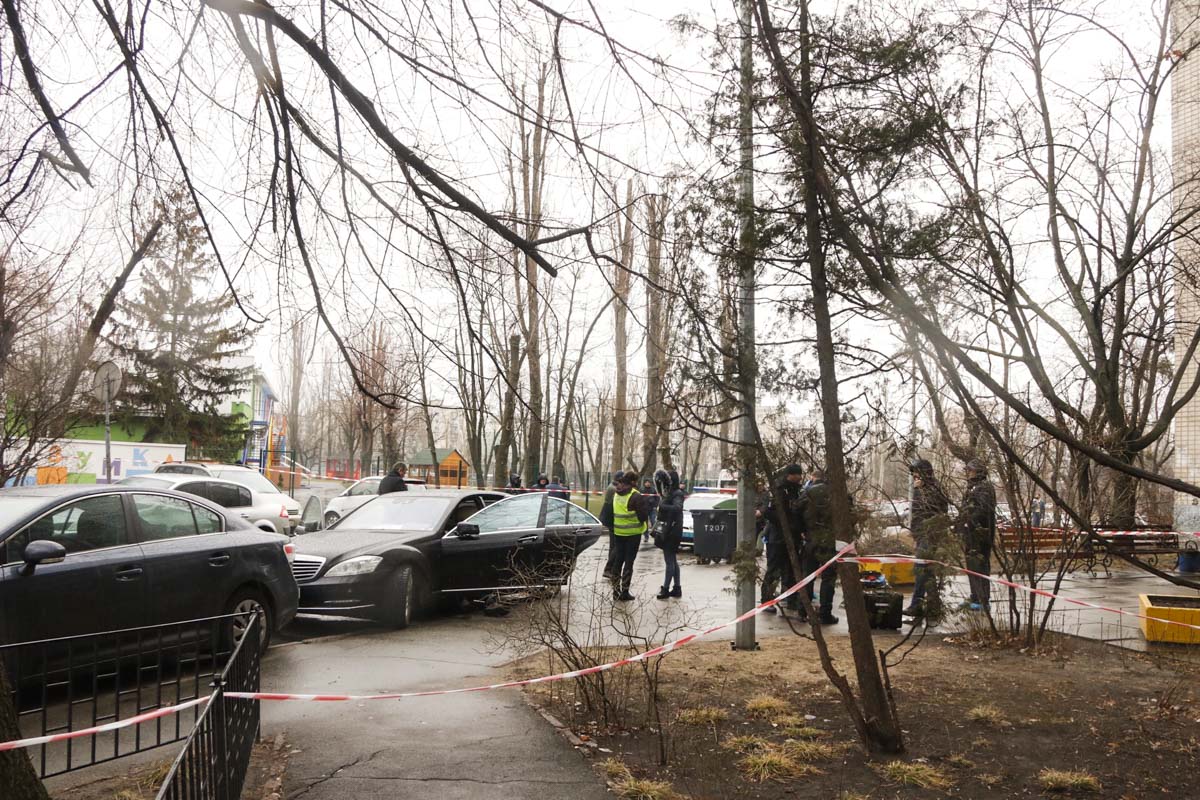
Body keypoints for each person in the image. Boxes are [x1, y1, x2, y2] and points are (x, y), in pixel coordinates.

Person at [903, 458, 950, 618]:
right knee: (926, 571)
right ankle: (933, 606)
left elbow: (937, 510)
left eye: (916, 472)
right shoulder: (919, 489)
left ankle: (917, 604)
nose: (914, 476)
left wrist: (921, 491)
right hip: (921, 534)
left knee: (922, 569)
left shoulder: (935, 488)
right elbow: (916, 513)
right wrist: (914, 532)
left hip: (931, 535)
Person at [796, 467, 843, 625]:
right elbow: (849, 516)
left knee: (807, 576)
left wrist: (802, 530)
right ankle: (825, 613)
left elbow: (796, 510)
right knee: (828, 578)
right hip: (830, 542)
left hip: (811, 539)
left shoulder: (809, 492)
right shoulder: (838, 494)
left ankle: (803, 610)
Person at [759, 465, 806, 615]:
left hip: (794, 537)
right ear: (790, 475)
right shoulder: (779, 490)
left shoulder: (797, 490)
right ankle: (766, 600)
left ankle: (791, 599)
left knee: (792, 569)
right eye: (797, 474)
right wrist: (785, 524)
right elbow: (768, 512)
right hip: (778, 537)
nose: (799, 477)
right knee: (774, 569)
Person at [956, 459, 997, 611]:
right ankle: (975, 596)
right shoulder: (972, 487)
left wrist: (968, 522)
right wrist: (959, 524)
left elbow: (981, 511)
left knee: (980, 566)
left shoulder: (984, 488)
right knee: (972, 566)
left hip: (980, 535)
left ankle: (982, 599)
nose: (968, 473)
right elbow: (966, 509)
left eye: (971, 470)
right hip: (971, 534)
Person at [609, 472, 649, 601]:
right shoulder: (636, 496)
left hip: (619, 533)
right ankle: (625, 591)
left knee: (618, 561)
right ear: (632, 482)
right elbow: (643, 516)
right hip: (633, 534)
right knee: (629, 562)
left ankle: (615, 591)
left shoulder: (616, 494)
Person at [654, 470, 685, 599]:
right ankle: (677, 587)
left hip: (672, 531)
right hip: (671, 529)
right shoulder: (672, 493)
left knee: (669, 561)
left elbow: (678, 508)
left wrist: (663, 505)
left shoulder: (677, 494)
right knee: (673, 560)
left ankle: (666, 588)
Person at [600, 471, 626, 580]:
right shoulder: (615, 489)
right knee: (616, 546)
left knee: (613, 545)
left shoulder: (613, 486)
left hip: (610, 518)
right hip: (613, 519)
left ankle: (611, 569)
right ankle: (609, 569)